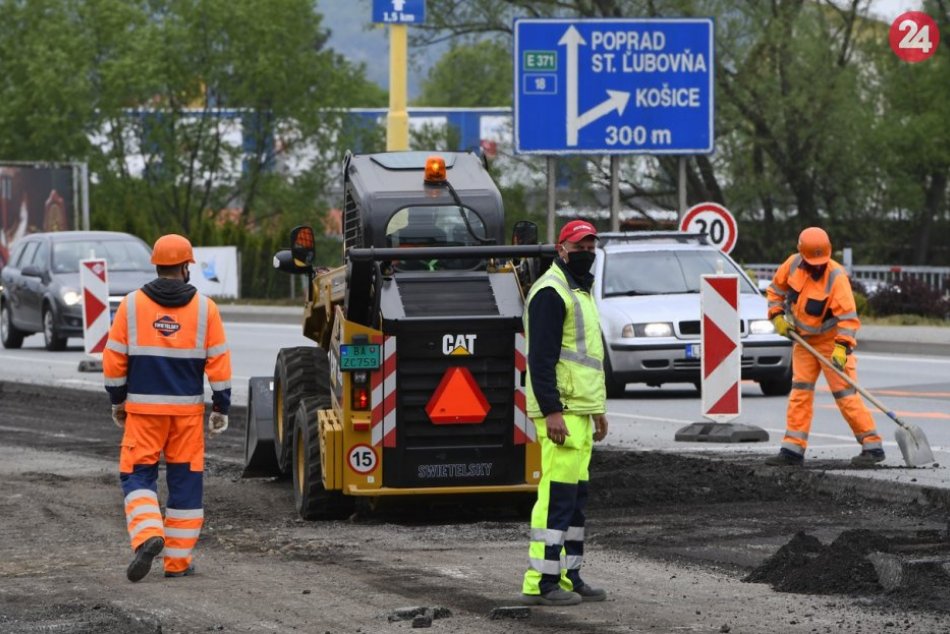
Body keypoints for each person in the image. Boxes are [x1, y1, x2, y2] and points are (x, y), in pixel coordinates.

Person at [103, 233, 232, 582]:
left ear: (156, 265)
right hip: (187, 418)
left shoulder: (130, 305)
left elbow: (113, 360)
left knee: (137, 475)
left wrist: (117, 401)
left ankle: (148, 536)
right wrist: (221, 406)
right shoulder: (206, 309)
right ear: (186, 266)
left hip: (143, 415)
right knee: (186, 485)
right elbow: (219, 363)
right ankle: (177, 562)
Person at [520, 219, 609, 606]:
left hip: (581, 412)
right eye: (579, 246)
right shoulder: (550, 293)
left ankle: (569, 575)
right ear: (561, 249)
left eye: (591, 247)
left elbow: (587, 360)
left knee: (574, 500)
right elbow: (539, 360)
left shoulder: (580, 291)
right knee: (555, 498)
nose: (586, 253)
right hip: (562, 414)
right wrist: (553, 411)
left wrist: (598, 410)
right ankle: (541, 582)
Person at [765, 227, 884, 467]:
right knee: (800, 393)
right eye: (812, 262)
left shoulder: (836, 276)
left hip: (831, 342)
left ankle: (872, 447)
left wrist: (842, 347)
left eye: (821, 261)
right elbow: (775, 292)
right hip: (803, 340)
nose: (817, 266)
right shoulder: (791, 265)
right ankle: (792, 450)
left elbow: (848, 318)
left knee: (845, 394)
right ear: (802, 254)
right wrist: (777, 316)